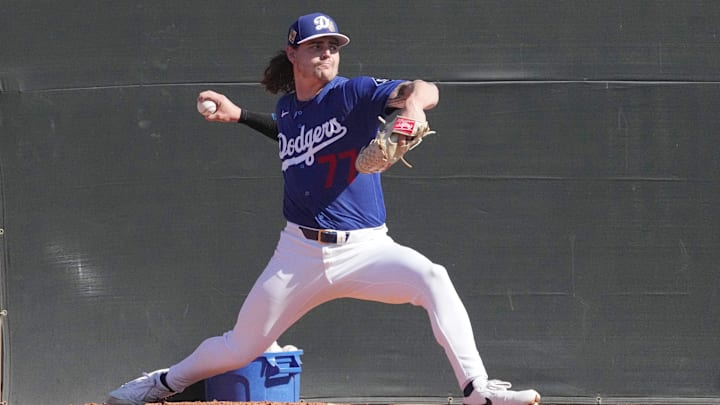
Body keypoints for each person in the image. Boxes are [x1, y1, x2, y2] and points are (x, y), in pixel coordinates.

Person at [106, 12, 541, 405]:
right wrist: (239, 115)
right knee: (241, 345)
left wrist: (411, 106)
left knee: (433, 277)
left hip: (366, 249)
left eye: (333, 46)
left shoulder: (352, 94)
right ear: (293, 53)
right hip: (298, 254)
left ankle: (477, 390)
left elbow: (425, 89)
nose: (328, 53)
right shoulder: (289, 109)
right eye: (317, 45)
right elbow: (290, 135)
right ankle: (163, 383)